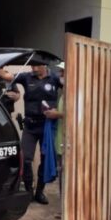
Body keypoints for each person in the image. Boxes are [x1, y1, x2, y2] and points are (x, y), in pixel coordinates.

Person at [0, 61, 62, 204]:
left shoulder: (55, 79)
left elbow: (72, 90)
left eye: (36, 65)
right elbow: (8, 77)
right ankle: (28, 191)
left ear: (45, 65)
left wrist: (60, 112)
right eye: (32, 65)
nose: (33, 68)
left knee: (45, 160)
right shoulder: (26, 77)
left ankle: (40, 192)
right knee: (26, 159)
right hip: (30, 126)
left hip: (47, 126)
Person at [44, 61, 65, 193]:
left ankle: (68, 210)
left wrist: (57, 114)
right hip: (61, 141)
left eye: (63, 72)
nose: (60, 74)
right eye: (60, 71)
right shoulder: (64, 92)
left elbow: (79, 115)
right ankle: (63, 209)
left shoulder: (77, 93)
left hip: (69, 144)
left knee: (68, 177)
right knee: (62, 176)